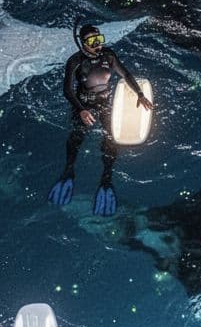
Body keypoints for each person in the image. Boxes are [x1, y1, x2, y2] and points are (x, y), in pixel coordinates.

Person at [47, 24, 152, 217]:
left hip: (105, 104)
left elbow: (126, 74)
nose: (97, 45)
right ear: (82, 43)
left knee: (111, 139)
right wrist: (81, 110)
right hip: (84, 105)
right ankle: (69, 170)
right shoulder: (76, 61)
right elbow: (67, 90)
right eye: (92, 42)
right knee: (77, 136)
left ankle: (106, 178)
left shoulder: (108, 56)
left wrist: (140, 94)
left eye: (99, 40)